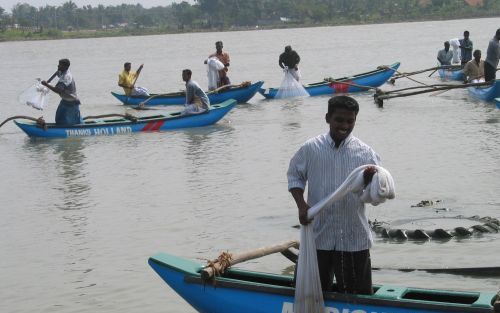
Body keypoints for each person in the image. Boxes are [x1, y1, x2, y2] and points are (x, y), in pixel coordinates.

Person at [287, 95, 379, 295]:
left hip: (354, 237)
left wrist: (371, 180)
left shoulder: (366, 154)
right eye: (339, 120)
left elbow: (375, 195)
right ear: (328, 118)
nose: (344, 125)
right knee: (309, 293)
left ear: (355, 121)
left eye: (350, 121)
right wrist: (301, 205)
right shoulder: (311, 149)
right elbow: (295, 175)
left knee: (358, 298)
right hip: (319, 236)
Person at [41, 58, 82, 126]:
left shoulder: (66, 76)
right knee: (59, 119)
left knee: (73, 122)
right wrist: (58, 72)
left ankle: (76, 129)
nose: (58, 66)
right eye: (58, 65)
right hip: (65, 100)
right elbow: (59, 75)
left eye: (60, 65)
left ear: (65, 67)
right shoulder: (63, 72)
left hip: (72, 101)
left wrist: (46, 85)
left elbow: (58, 90)